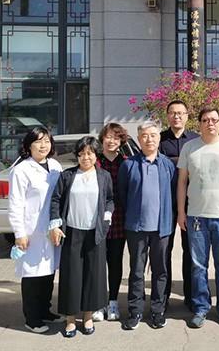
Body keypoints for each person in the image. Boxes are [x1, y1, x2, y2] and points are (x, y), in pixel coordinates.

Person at [177, 107, 219, 328]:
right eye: (205, 120)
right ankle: (201, 307)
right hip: (196, 216)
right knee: (198, 266)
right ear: (199, 124)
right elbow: (182, 182)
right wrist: (181, 212)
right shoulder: (189, 147)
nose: (210, 123)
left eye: (214, 119)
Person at [49, 136, 114, 338]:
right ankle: (70, 319)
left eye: (90, 153)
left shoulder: (104, 176)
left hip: (95, 233)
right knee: (72, 275)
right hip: (72, 232)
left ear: (96, 155)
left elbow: (110, 199)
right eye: (82, 154)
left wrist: (107, 216)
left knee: (93, 276)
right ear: (77, 156)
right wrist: (55, 224)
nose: (86, 157)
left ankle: (87, 316)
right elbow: (56, 200)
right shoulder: (68, 176)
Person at [118, 120, 176, 330]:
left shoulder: (168, 165)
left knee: (161, 271)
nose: (149, 139)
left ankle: (158, 310)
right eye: (144, 135)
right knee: (136, 271)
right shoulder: (129, 165)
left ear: (159, 138)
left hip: (162, 228)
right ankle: (135, 311)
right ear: (139, 139)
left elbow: (174, 195)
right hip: (136, 227)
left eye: (153, 135)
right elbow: (123, 195)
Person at [7, 127, 63, 333]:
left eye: (46, 141)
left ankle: (45, 310)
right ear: (28, 146)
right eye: (38, 141)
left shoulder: (55, 166)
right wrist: (19, 233)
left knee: (48, 272)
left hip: (52, 228)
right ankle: (32, 318)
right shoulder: (21, 170)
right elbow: (15, 204)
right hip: (31, 230)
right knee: (32, 275)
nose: (43, 145)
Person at [159, 100, 199, 311]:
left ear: (186, 116)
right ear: (167, 116)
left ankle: (190, 295)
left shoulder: (195, 140)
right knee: (164, 250)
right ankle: (162, 297)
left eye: (181, 113)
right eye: (173, 113)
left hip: (191, 202)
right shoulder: (159, 139)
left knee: (190, 250)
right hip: (165, 202)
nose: (177, 116)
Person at [92, 123, 130, 322]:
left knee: (115, 262)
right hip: (96, 220)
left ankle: (113, 301)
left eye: (116, 138)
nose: (112, 141)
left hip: (119, 220)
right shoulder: (95, 162)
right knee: (97, 263)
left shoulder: (126, 163)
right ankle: (98, 303)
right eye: (108, 137)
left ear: (121, 141)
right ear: (102, 139)